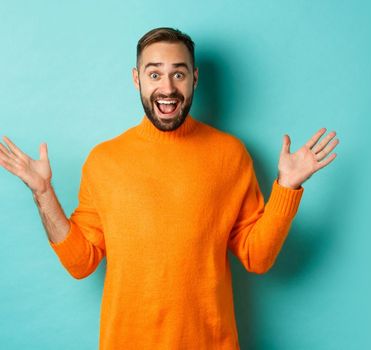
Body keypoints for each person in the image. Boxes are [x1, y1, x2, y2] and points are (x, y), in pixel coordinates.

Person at [0, 27, 339, 349]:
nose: (167, 87)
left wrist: (287, 187)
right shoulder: (104, 161)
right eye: (154, 73)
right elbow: (81, 263)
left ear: (195, 78)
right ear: (137, 80)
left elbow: (258, 257)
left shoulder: (230, 155)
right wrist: (43, 193)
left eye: (178, 73)